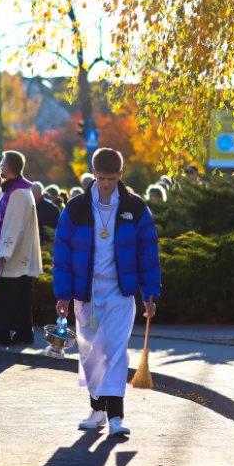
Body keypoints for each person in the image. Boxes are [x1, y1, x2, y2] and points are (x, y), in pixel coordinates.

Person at [53, 147, 162, 438]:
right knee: (90, 354)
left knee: (115, 352)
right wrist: (63, 294)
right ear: (93, 175)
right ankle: (96, 411)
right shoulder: (75, 208)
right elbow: (62, 253)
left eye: (112, 179)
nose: (106, 184)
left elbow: (148, 253)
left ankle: (115, 416)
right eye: (101, 178)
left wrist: (150, 294)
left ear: (120, 175)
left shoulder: (135, 209)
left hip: (119, 293)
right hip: (86, 294)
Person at [0, 150, 43, 345]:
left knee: (7, 295)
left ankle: (4, 333)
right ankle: (21, 333)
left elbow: (16, 223)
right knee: (18, 295)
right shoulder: (13, 190)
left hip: (13, 255)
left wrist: (5, 250)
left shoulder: (20, 192)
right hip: (13, 254)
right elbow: (8, 218)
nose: (0, 165)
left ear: (8, 168)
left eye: (2, 163)